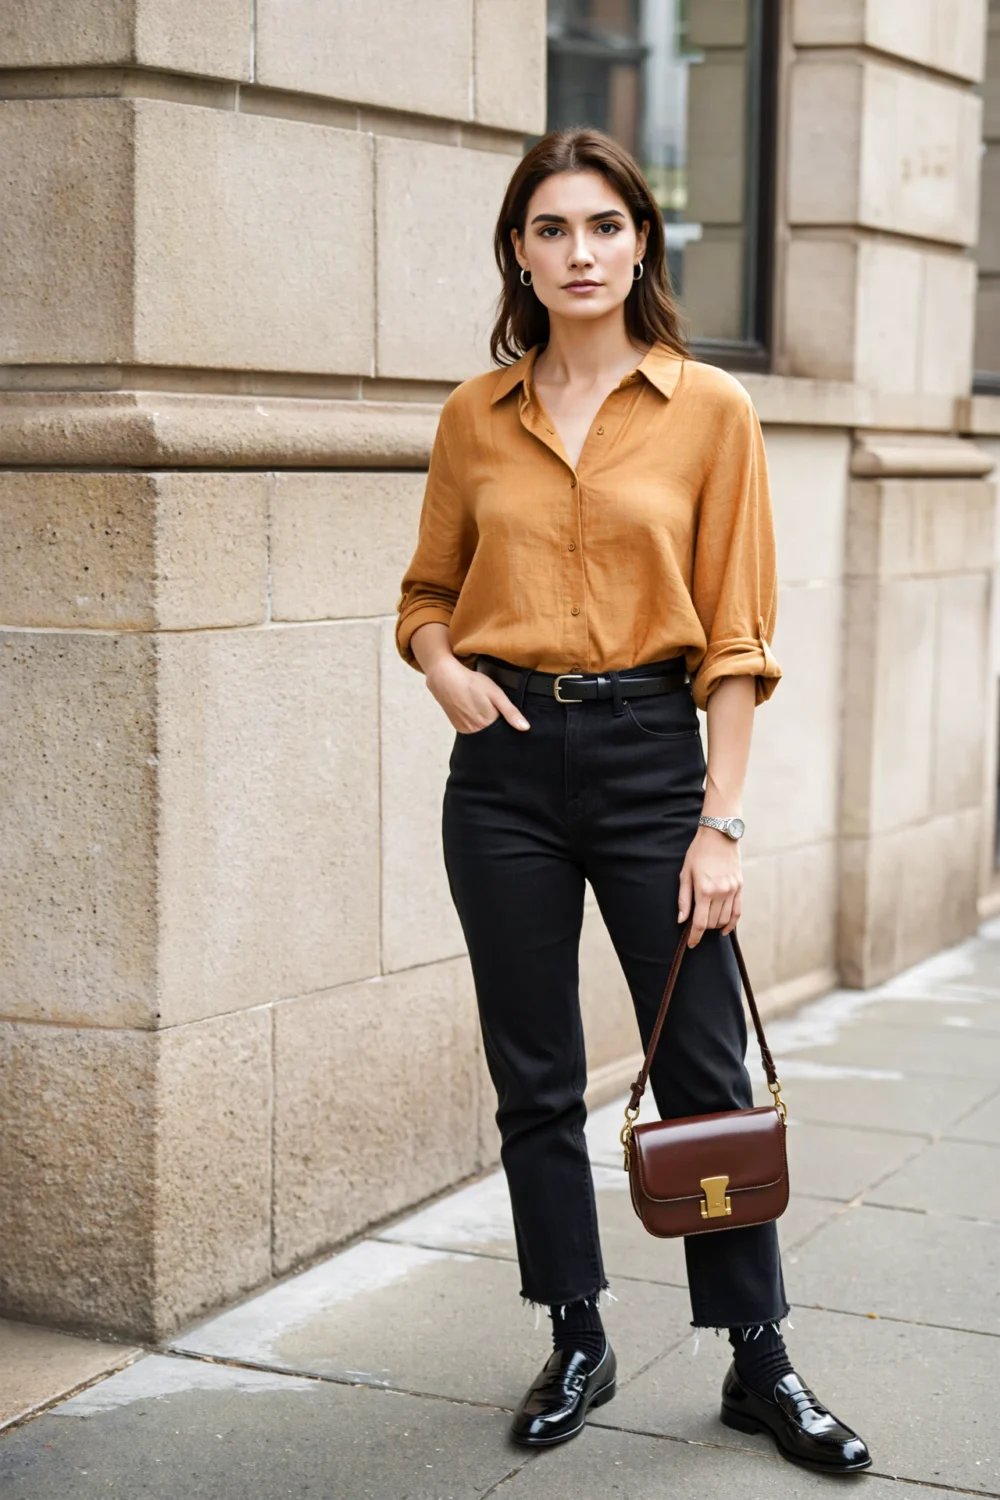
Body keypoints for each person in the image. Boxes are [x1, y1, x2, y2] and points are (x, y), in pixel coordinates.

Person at [394, 127, 870, 1474]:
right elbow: (426, 597)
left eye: (603, 225)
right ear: (519, 252)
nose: (579, 252)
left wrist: (721, 822)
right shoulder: (473, 416)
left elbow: (736, 637)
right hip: (500, 775)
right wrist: (442, 669)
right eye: (551, 229)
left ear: (642, 243)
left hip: (657, 761)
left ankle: (757, 1357)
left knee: (705, 1069)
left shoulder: (711, 410)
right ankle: (577, 1332)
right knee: (534, 1074)